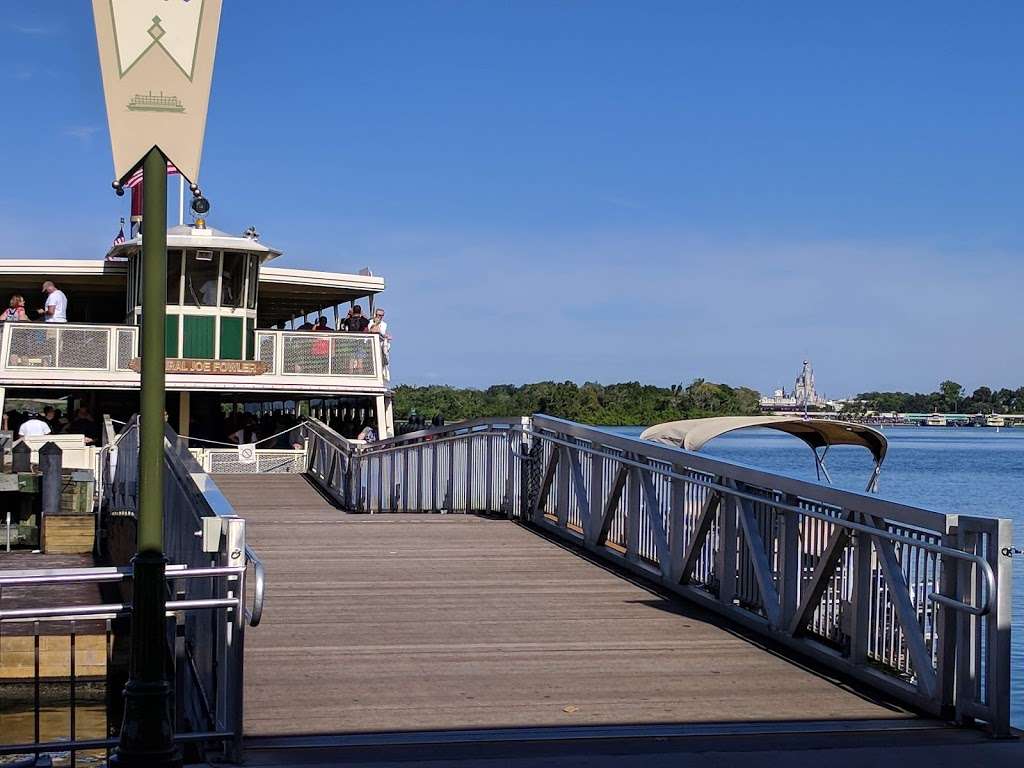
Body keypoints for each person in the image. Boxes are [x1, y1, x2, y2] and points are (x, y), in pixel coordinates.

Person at [368, 308, 391, 380]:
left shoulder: (384, 324)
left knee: (382, 360)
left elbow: (383, 333)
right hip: (370, 344)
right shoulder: (370, 322)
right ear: (375, 314)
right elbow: (372, 331)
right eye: (379, 315)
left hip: (380, 345)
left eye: (382, 315)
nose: (380, 317)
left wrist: (386, 336)